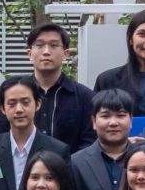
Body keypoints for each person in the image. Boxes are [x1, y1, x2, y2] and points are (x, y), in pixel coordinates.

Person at [0, 77, 69, 190]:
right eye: (12, 103)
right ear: (2, 108)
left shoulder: (58, 150)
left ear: (38, 104)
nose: (19, 110)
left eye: (25, 102)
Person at [17, 21, 95, 149]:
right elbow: (0, 141)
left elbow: (89, 144)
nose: (46, 52)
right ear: (30, 54)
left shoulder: (84, 96)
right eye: (39, 45)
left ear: (65, 53)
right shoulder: (15, 94)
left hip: (70, 162)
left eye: (54, 45)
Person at [70, 90, 137, 190]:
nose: (113, 122)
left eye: (120, 115)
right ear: (94, 121)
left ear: (131, 120)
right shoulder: (76, 163)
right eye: (105, 116)